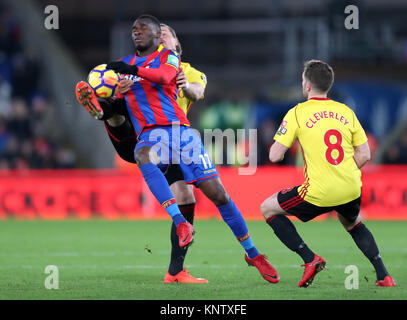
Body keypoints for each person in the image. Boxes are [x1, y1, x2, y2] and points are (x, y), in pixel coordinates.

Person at [75, 14, 279, 284]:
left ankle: (247, 255)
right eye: (138, 31)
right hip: (151, 135)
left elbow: (178, 82)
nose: (146, 35)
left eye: (154, 32)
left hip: (181, 133)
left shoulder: (173, 62)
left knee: (215, 196)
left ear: (166, 40)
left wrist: (148, 76)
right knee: (137, 146)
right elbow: (133, 87)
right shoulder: (127, 67)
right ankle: (103, 112)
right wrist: (117, 90)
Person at [260, 59, 396, 288]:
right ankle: (384, 275)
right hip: (351, 187)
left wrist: (281, 137)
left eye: (303, 80)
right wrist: (343, 172)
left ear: (307, 86)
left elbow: (275, 156)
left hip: (318, 191)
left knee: (267, 208)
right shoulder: (346, 111)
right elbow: (364, 154)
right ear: (328, 85)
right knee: (352, 223)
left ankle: (309, 258)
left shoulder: (297, 112)